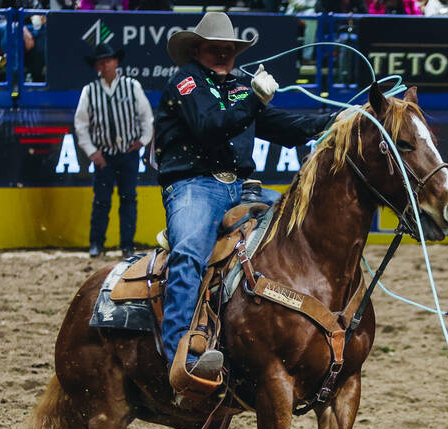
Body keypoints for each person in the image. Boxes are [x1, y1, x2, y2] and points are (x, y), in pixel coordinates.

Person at [152, 12, 334, 389]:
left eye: (228, 50)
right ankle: (179, 357)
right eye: (216, 49)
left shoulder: (238, 89)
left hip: (241, 188)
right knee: (189, 252)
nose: (223, 55)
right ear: (198, 49)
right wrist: (253, 100)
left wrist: (333, 120)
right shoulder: (185, 83)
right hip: (192, 185)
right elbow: (209, 123)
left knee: (298, 233)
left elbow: (279, 126)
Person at [74, 42, 153, 259]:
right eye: (101, 62)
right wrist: (92, 152)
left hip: (128, 153)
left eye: (108, 60)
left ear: (116, 62)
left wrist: (143, 140)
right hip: (104, 156)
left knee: (128, 198)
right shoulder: (90, 91)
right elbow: (81, 125)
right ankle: (96, 243)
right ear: (97, 67)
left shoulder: (132, 86)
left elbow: (146, 116)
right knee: (101, 200)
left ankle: (127, 245)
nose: (105, 65)